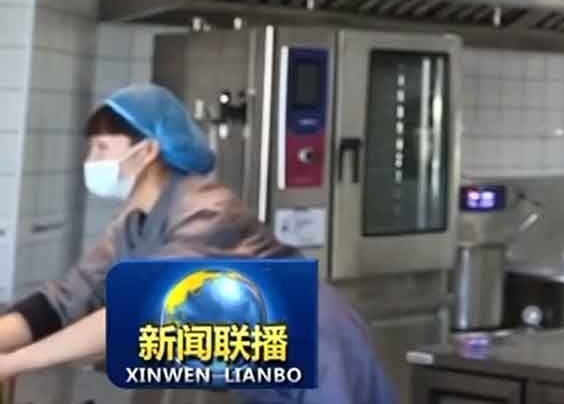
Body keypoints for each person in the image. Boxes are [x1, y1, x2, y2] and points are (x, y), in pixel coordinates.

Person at [0, 84, 397, 403]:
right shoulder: (131, 224)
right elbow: (64, 300)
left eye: (103, 147)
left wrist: (14, 363)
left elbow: (137, 313)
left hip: (317, 347)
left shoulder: (207, 210)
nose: (92, 159)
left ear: (148, 149)